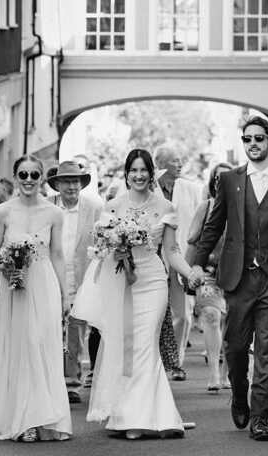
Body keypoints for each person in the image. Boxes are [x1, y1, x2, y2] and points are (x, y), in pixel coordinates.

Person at [189, 116, 268, 443]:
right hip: (239, 278)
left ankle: (260, 416)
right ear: (243, 143)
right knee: (237, 346)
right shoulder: (230, 180)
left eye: (259, 138)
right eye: (247, 139)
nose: (253, 143)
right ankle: (240, 392)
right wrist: (198, 263)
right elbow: (212, 226)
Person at [73, 148, 193, 440]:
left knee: (146, 346)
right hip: (122, 283)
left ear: (152, 174)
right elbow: (102, 250)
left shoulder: (164, 207)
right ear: (126, 175)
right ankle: (128, 414)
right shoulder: (113, 206)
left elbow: (171, 250)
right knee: (123, 347)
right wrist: (116, 246)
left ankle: (146, 416)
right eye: (133, 171)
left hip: (152, 281)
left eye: (144, 170)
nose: (139, 175)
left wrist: (190, 272)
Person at [0, 155, 71, 443]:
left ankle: (45, 418)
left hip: (44, 286)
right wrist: (5, 265)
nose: (29, 180)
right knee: (22, 347)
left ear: (42, 177)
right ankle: (23, 419)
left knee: (42, 347)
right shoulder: (2, 212)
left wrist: (65, 294)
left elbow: (57, 254)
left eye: (34, 174)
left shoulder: (54, 213)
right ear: (16, 177)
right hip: (14, 289)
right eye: (23, 174)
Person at [47, 160, 102, 405]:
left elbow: (102, 242)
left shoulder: (93, 208)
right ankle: (48, 380)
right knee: (47, 329)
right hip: (49, 276)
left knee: (75, 330)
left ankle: (71, 384)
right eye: (67, 181)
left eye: (76, 181)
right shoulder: (47, 207)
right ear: (57, 184)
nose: (72, 186)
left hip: (82, 278)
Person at [154, 143, 202, 377]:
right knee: (155, 312)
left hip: (181, 256)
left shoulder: (191, 189)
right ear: (160, 165)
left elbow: (197, 225)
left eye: (180, 160)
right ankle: (156, 360)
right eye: (175, 160)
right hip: (153, 258)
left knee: (182, 312)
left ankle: (176, 361)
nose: (180, 164)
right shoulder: (149, 188)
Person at [185, 161, 233, 392]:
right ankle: (214, 373)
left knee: (231, 323)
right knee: (212, 317)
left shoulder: (241, 206)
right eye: (217, 178)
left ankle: (227, 375)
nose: (220, 182)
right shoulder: (206, 205)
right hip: (208, 272)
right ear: (213, 182)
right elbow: (191, 238)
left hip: (234, 273)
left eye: (225, 177)